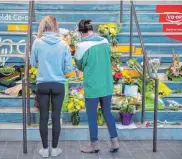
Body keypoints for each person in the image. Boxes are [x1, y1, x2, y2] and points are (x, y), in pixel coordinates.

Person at [30, 16, 73, 158]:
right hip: (59, 84)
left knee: (43, 117)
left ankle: (44, 149)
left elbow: (33, 63)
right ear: (56, 26)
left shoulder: (37, 42)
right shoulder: (64, 44)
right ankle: (54, 149)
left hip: (42, 84)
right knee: (56, 116)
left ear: (43, 26)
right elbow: (68, 69)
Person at [74, 20, 119, 153]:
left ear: (81, 32)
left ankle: (94, 145)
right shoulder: (105, 42)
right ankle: (115, 141)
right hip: (106, 84)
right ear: (91, 29)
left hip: (92, 86)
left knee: (92, 116)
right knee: (107, 113)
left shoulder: (82, 46)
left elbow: (79, 65)